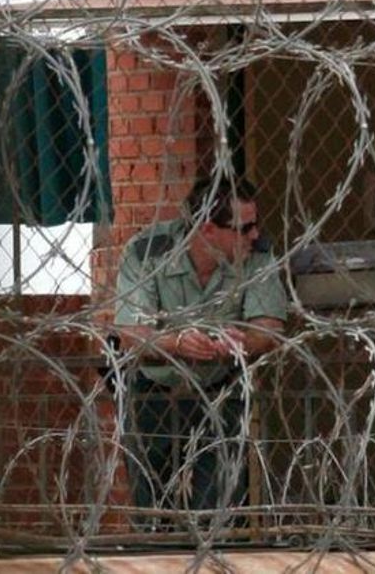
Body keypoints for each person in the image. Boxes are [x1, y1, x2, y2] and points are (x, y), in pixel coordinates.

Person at [114, 176, 287, 530]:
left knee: (217, 510)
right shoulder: (149, 251)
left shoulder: (257, 254)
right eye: (245, 228)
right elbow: (132, 334)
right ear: (208, 229)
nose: (255, 234)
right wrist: (177, 344)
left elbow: (269, 329)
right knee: (153, 512)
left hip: (220, 387)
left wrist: (243, 342)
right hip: (155, 388)